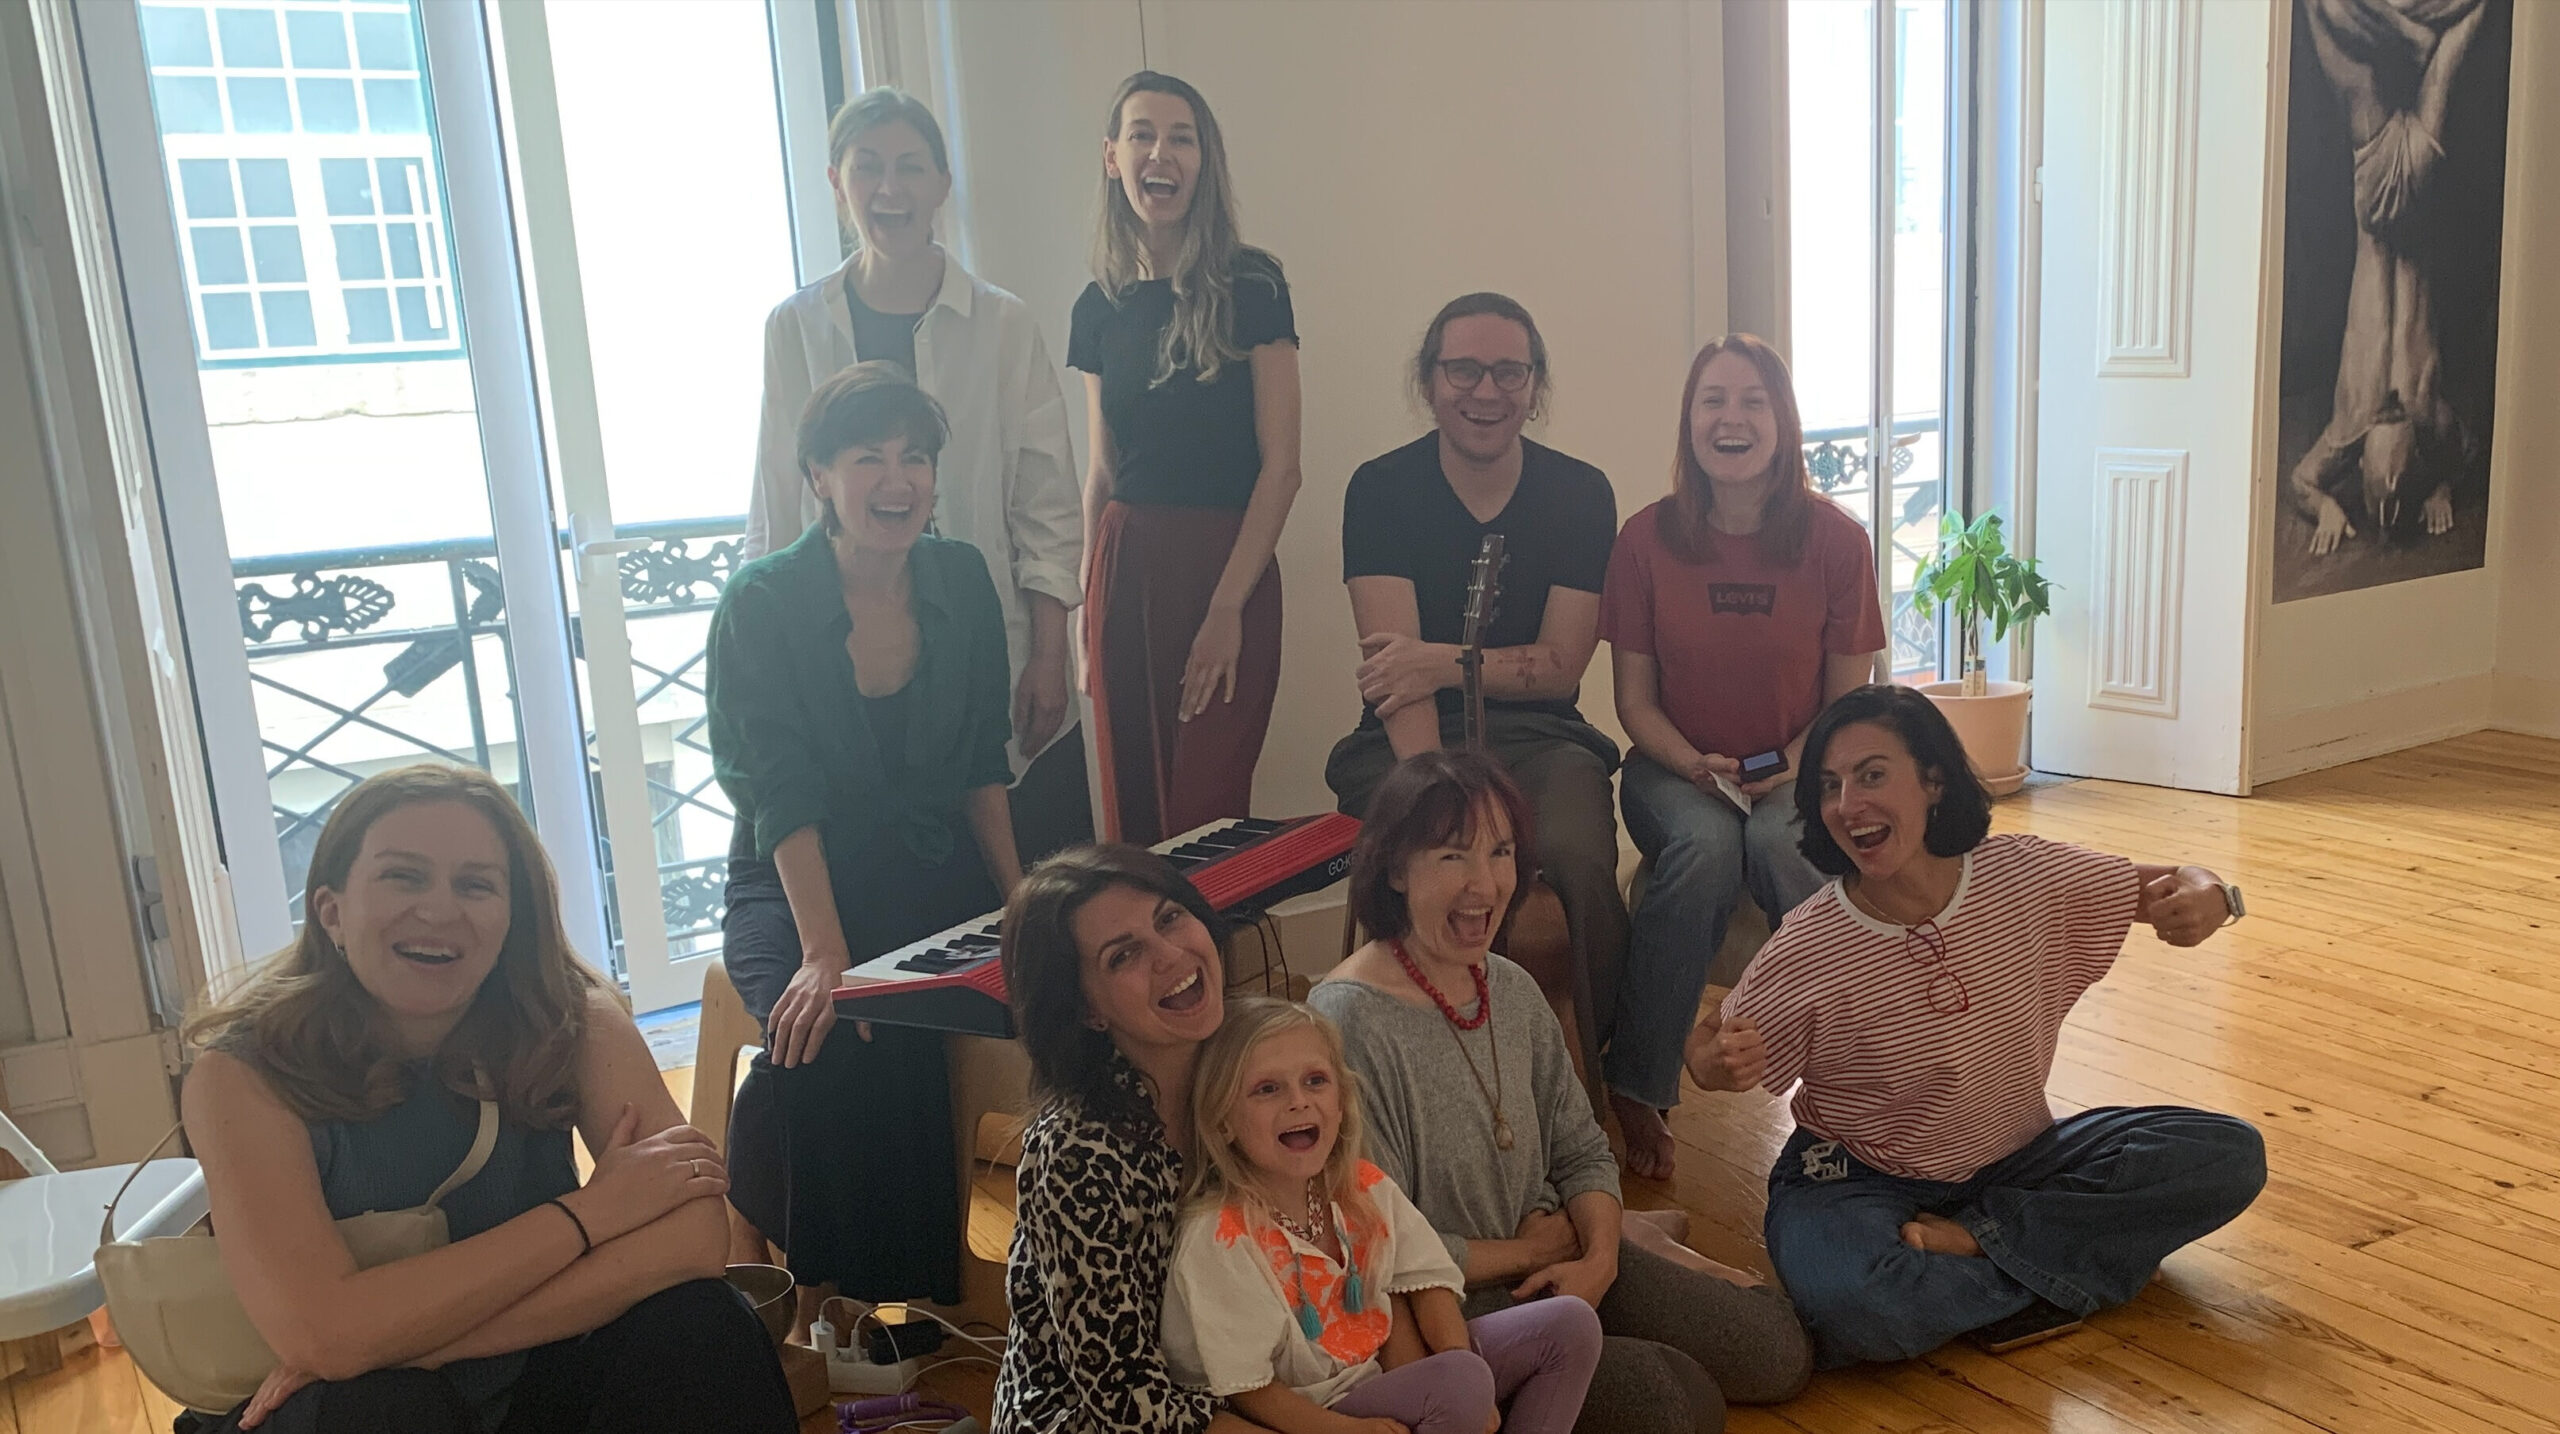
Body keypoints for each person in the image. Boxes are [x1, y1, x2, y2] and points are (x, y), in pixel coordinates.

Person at [175, 764, 793, 1434]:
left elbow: (693, 1241)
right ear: (331, 913)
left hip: (521, 1375)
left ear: (510, 917)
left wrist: (419, 1346)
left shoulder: (573, 1020)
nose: (440, 911)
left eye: (475, 885)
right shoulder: (242, 1073)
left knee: (703, 1321)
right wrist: (589, 1214)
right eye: (403, 876)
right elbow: (322, 1336)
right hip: (328, 1408)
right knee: (381, 1410)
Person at [1687, 684, 2267, 1367]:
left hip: (2019, 1159)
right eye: (1829, 786)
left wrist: (2214, 894)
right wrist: (1712, 1063)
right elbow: (1708, 1044)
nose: (1847, 805)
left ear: (1933, 780)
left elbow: (2175, 880)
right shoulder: (1810, 943)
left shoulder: (2020, 874)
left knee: (2228, 1154)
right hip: (1856, 1178)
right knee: (1857, 1301)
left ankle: (1978, 1243)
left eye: (1872, 775)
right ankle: (2057, 1255)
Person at [1311, 752, 1812, 1434]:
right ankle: (1640, 1255)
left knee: (1778, 1350)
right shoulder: (1346, 1023)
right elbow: (1383, 1248)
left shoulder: (1509, 986)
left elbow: (1582, 1149)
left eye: (1501, 852)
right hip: (1450, 1308)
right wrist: (1532, 1254)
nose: (1484, 883)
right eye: (1453, 856)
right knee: (1676, 1403)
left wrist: (1600, 1260)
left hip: (1566, 1251)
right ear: (1396, 869)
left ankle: (1635, 1242)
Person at [709, 362, 1024, 1312]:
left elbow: (982, 762)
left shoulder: (961, 577)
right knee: (828, 1028)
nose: (898, 480)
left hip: (928, 863)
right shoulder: (761, 601)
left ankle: (909, 1306)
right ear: (818, 476)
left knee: (910, 1023)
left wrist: (1022, 899)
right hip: (791, 875)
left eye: (915, 457)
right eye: (868, 458)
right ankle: (822, 1296)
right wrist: (824, 952)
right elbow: (778, 795)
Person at [746, 88, 1090, 863]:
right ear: (837, 184)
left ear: (941, 184)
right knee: (879, 869)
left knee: (1011, 862)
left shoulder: (1002, 323)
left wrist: (1048, 655)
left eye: (909, 167)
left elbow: (1045, 507)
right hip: (843, 651)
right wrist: (763, 650)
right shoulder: (795, 327)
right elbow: (775, 500)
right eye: (867, 168)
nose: (889, 189)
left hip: (984, 646)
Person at [1599, 334, 1885, 1181]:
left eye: (1753, 401)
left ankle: (1853, 1074)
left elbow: (1849, 703)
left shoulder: (1838, 541)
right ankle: (1639, 1081)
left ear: (1783, 421)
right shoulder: (1643, 540)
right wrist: (1695, 764)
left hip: (1803, 766)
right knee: (1704, 846)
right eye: (1713, 401)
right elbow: (1634, 704)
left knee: (1777, 841)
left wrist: (1794, 763)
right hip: (1673, 768)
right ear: (1689, 423)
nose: (1732, 419)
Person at [1325, 292, 1626, 1086]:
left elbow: (1560, 667)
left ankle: (1592, 1081)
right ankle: (1427, 1076)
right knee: (1438, 857)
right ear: (1429, 381)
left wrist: (1439, 659)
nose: (1486, 391)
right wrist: (1447, 796)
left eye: (1508, 372)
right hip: (1405, 740)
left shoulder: (1582, 493)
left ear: (1535, 385)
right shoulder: (1379, 489)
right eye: (1463, 369)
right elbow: (1397, 678)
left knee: (1580, 863)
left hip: (1543, 738)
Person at [1162, 997, 1603, 1434]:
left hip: (1393, 1381)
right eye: (1267, 1089)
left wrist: (1460, 1360)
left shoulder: (1362, 1186)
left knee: (1571, 1324)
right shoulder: (1218, 1236)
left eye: (1315, 1081)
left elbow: (1426, 1282)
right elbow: (1251, 1392)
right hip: (1320, 1413)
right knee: (1459, 1384)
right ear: (1223, 1121)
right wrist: (1342, 1431)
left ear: (1341, 1102)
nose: (1298, 1101)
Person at [1072, 71, 1302, 846]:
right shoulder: (1096, 307)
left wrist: (1227, 607)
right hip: (1124, 567)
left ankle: (1214, 934)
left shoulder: (1253, 284)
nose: (1160, 153)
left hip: (1225, 566)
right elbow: (1103, 472)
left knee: (1208, 815)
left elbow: (1282, 467)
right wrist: (1085, 611)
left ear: (1205, 162)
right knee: (1133, 815)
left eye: (1182, 138)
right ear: (1113, 156)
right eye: (1141, 134)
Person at [988, 845, 1267, 1434]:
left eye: (1170, 918)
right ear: (1087, 1010)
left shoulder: (1259, 1065)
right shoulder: (1075, 1153)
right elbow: (1124, 1399)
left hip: (1253, 1382)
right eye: (1123, 955)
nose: (1170, 955)